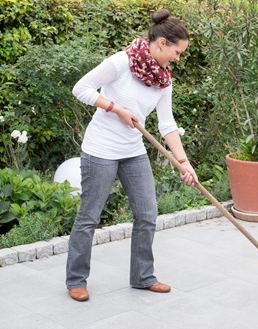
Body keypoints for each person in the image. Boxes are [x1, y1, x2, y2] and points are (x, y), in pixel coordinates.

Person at [66, 9, 198, 302]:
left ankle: (142, 276)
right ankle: (76, 279)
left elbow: (167, 124)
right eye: (177, 52)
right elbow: (81, 88)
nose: (178, 58)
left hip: (132, 150)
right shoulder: (121, 62)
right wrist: (115, 108)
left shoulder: (164, 79)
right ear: (162, 43)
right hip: (100, 149)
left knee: (147, 214)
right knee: (89, 216)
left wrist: (183, 162)